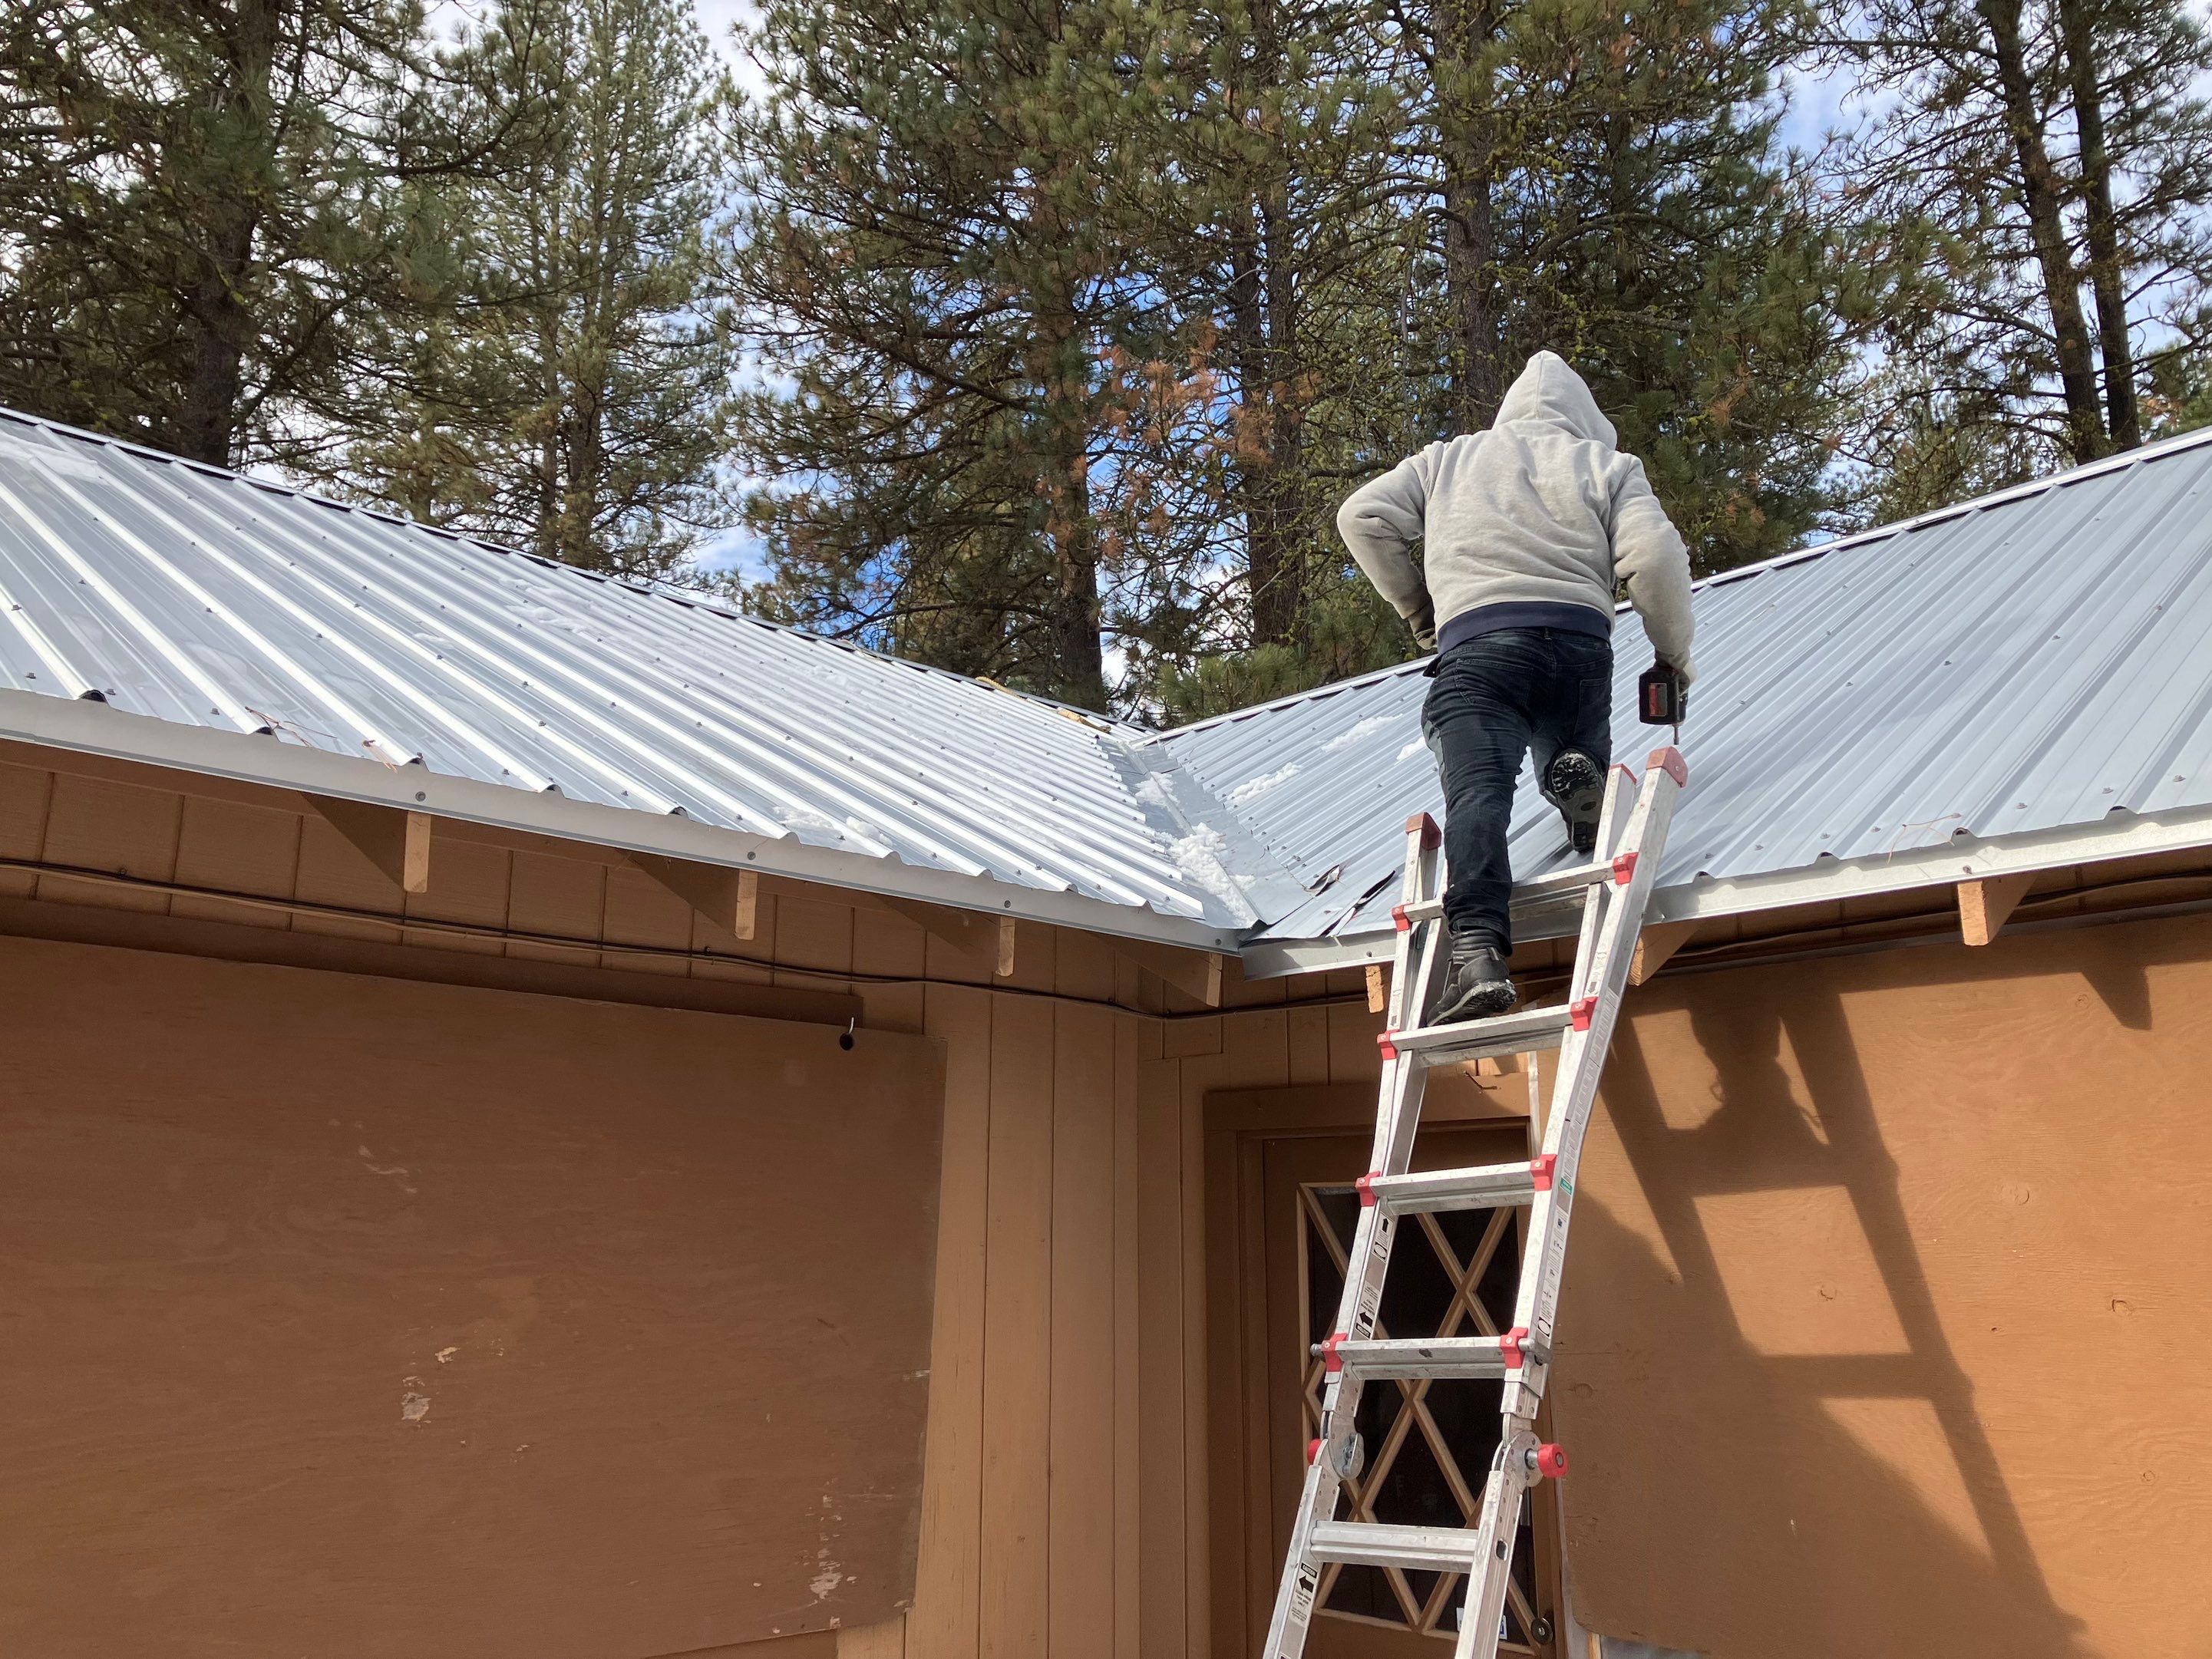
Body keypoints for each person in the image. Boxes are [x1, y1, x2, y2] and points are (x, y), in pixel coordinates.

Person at [1336, 350, 1697, 1023]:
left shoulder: (1447, 460)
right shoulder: (1607, 466)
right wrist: (1673, 656)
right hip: (1579, 644)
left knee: (1479, 794)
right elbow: (1654, 558)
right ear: (1588, 421)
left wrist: (1423, 613)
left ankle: (1477, 956)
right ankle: (1580, 784)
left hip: (1479, 647)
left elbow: (1362, 518)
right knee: (1568, 740)